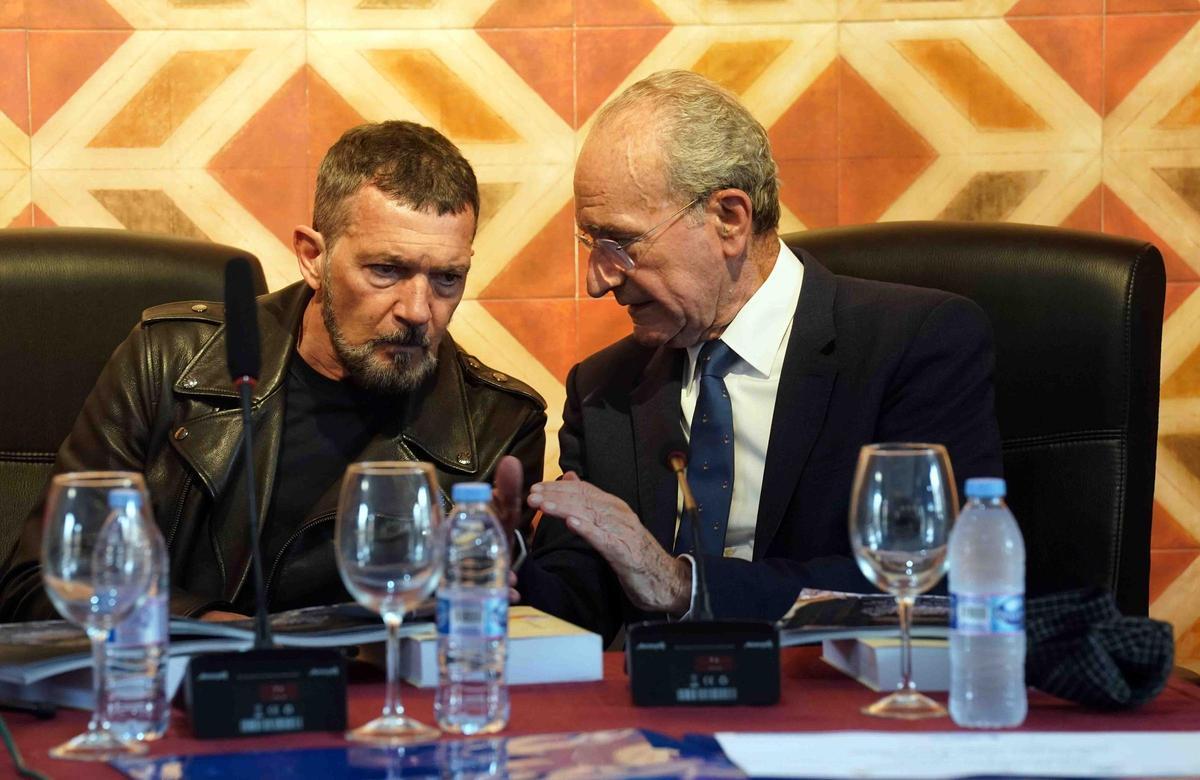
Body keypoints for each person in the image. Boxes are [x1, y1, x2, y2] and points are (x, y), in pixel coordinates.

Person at [511, 71, 1003, 645]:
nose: (599, 281)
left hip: (841, 705)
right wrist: (504, 569)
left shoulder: (916, 345)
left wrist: (684, 585)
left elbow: (931, 577)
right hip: (659, 713)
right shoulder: (603, 391)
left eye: (621, 244)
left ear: (729, 219)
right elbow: (581, 601)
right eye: (592, 246)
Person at [0, 121, 546, 622]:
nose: (418, 310)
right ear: (313, 257)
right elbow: (37, 585)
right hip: (166, 697)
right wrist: (216, 634)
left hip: (361, 706)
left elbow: (482, 623)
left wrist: (480, 596)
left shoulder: (496, 425)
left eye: (447, 278)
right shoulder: (168, 361)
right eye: (387, 270)